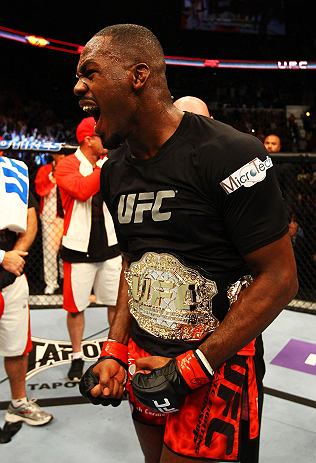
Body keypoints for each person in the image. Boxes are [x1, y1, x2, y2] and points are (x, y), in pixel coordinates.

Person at [76, 24, 298, 463]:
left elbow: (280, 278)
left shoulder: (229, 152)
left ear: (139, 76)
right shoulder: (114, 169)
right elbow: (133, 263)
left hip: (217, 365)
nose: (79, 86)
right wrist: (117, 349)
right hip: (145, 358)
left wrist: (195, 366)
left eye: (90, 72)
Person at [173, 95, 265, 463]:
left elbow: (272, 271)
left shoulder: (235, 168)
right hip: (175, 330)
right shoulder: (159, 173)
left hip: (230, 335)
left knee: (232, 440)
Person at [54, 117, 121, 382]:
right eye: (100, 135)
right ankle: (76, 356)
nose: (106, 139)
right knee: (75, 308)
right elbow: (82, 191)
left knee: (116, 304)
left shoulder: (108, 163)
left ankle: (114, 353)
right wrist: (104, 168)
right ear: (88, 140)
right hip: (78, 248)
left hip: (110, 245)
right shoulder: (67, 165)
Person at [0, 156, 53, 426]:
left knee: (17, 346)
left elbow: (30, 216)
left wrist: (14, 254)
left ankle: (18, 403)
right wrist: (1, 257)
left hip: (11, 277)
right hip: (6, 263)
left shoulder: (11, 175)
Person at [35, 153, 65, 295]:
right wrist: (53, 177)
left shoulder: (71, 169)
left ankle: (65, 279)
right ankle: (51, 283)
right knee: (50, 252)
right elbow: (40, 191)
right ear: (54, 155)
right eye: (60, 154)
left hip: (68, 216)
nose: (63, 156)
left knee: (67, 250)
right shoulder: (44, 170)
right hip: (49, 216)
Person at [263, 133, 296, 221]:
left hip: (277, 212)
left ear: (279, 147)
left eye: (273, 144)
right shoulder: (255, 165)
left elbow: (289, 194)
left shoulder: (285, 167)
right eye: (267, 143)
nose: (269, 146)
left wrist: (286, 217)